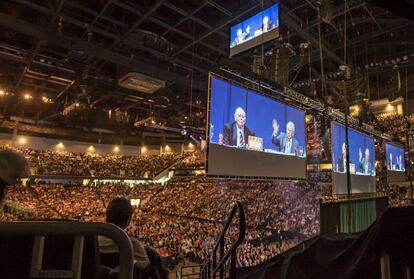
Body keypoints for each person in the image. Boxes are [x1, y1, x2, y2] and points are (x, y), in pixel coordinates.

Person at [98, 197, 150, 271]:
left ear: (106, 217)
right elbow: (145, 265)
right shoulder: (131, 243)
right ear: (128, 221)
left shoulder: (93, 242)